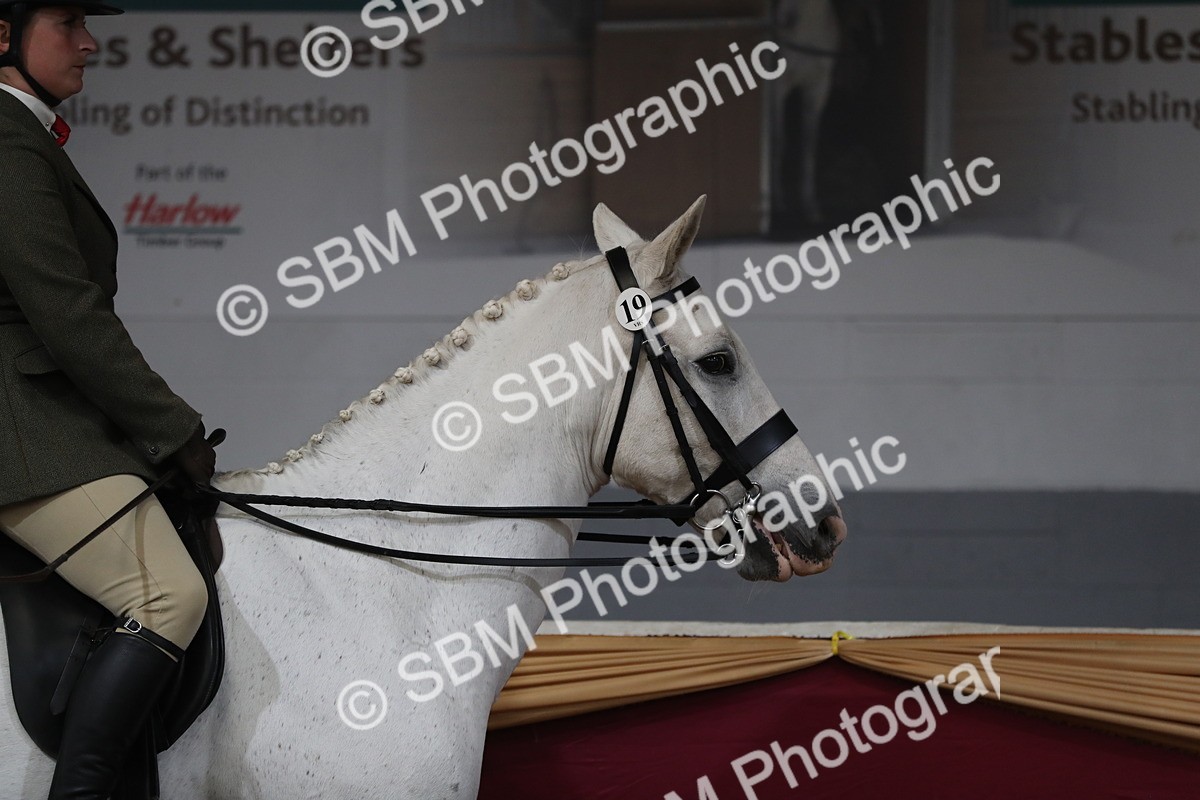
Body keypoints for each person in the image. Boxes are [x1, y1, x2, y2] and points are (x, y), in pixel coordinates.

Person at [0, 2, 217, 796]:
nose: (90, 42)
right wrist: (173, 430)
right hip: (20, 432)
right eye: (67, 22)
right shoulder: (3, 138)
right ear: (2, 34)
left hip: (48, 422)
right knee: (169, 593)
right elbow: (66, 315)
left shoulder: (23, 135)